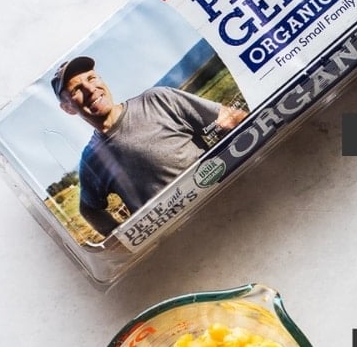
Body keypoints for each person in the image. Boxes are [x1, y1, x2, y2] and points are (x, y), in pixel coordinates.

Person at [52, 55, 247, 237]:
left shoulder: (157, 100)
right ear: (68, 108)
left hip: (229, 206)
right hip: (181, 240)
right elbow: (89, 209)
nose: (90, 88)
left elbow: (233, 120)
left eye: (92, 78)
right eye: (76, 89)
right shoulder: (91, 160)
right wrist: (124, 241)